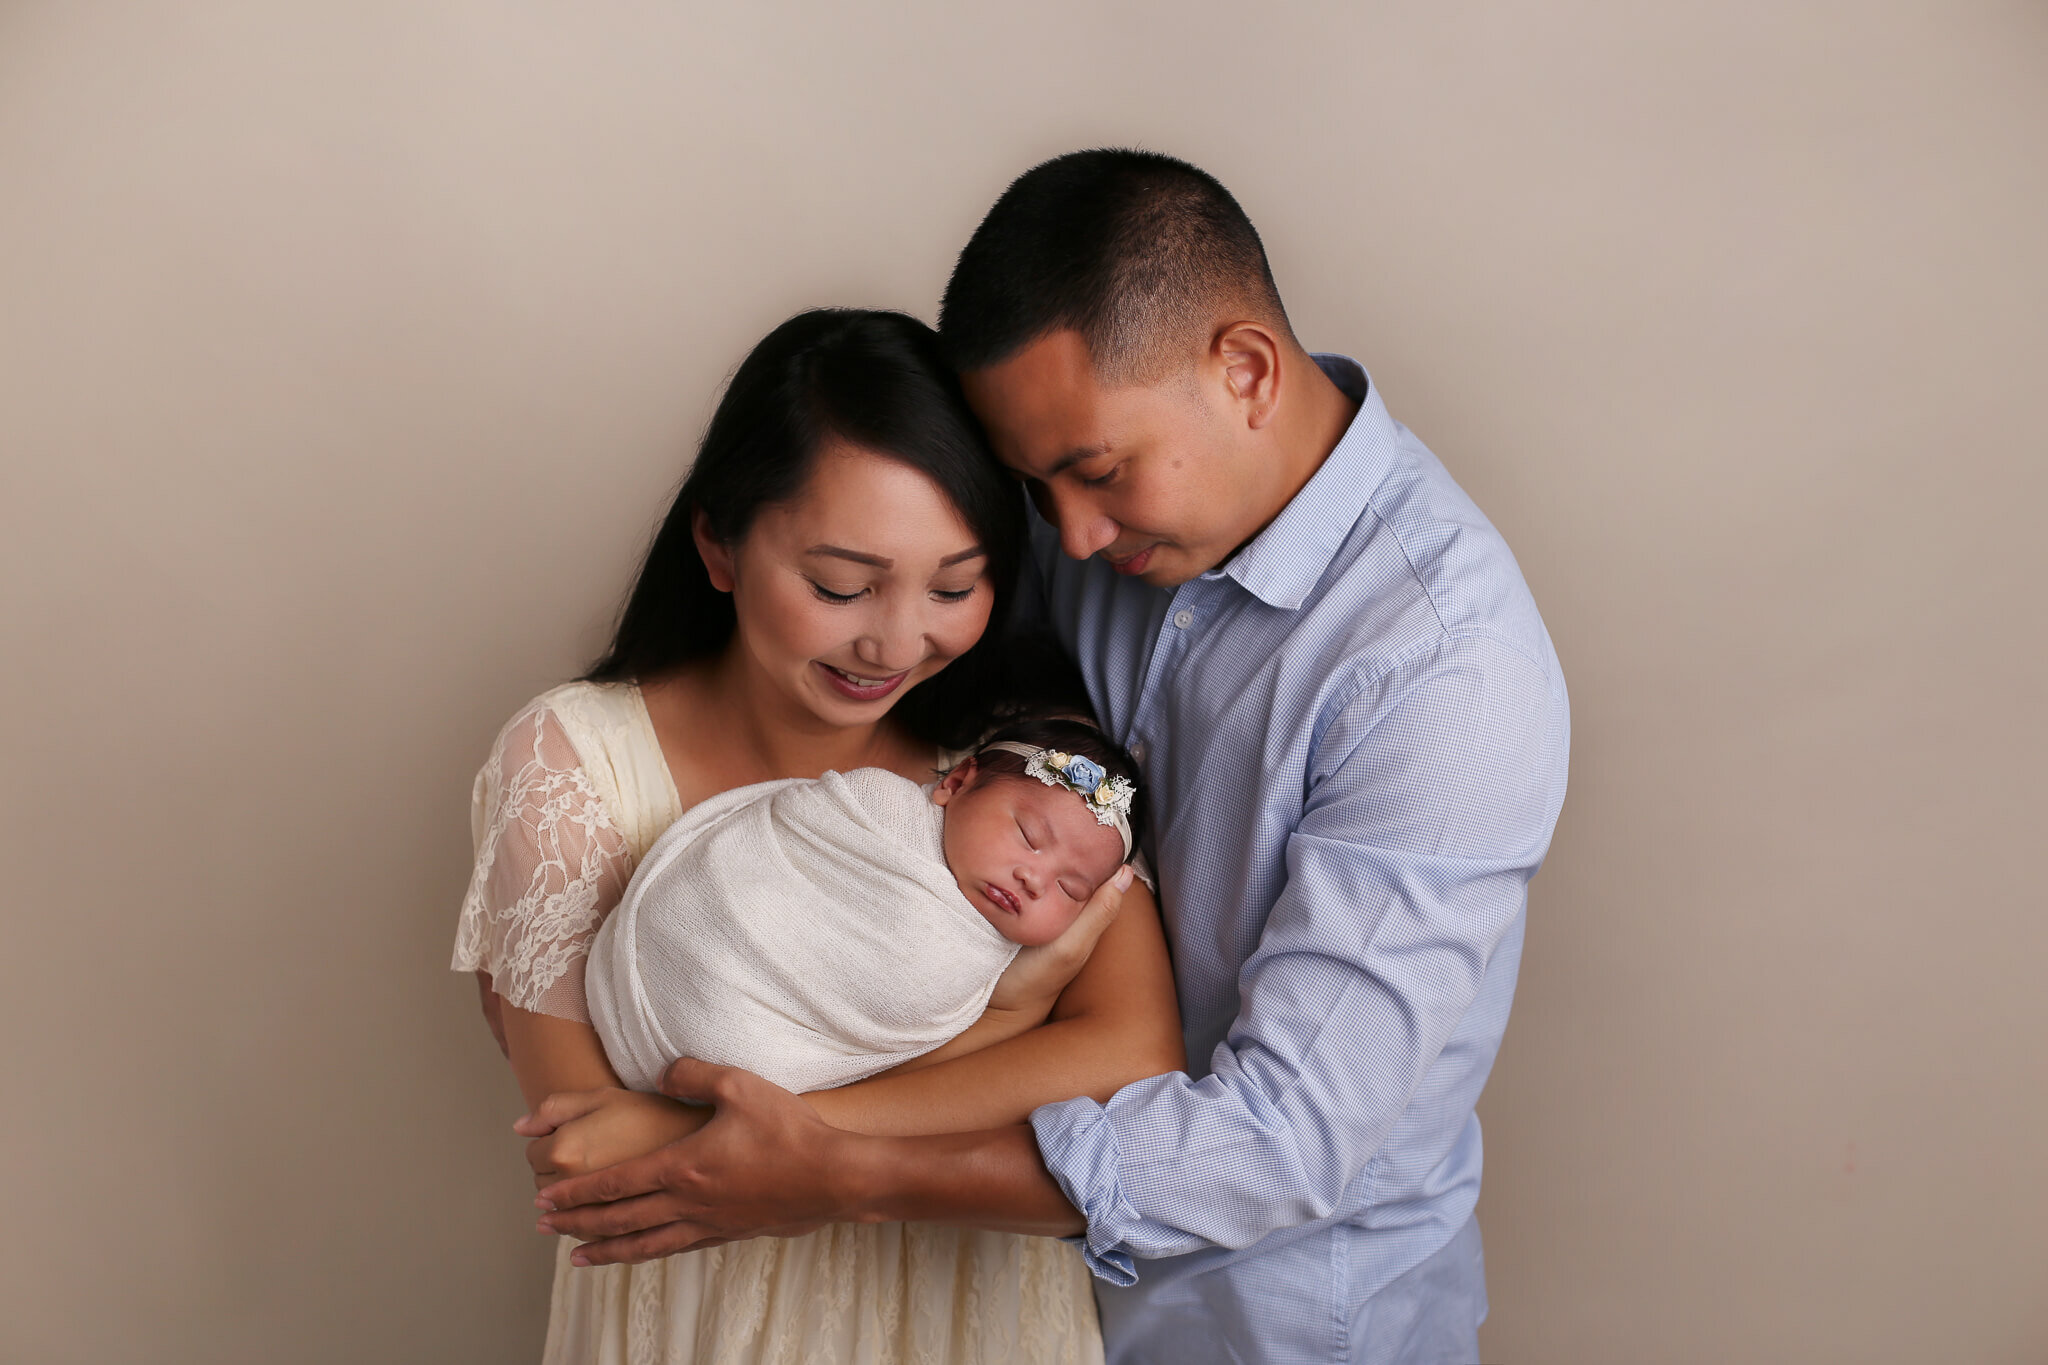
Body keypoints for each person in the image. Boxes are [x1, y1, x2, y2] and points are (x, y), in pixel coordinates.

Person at [531, 151, 1571, 1364]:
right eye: (1036, 485)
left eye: (1093, 473)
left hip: (1274, 1325)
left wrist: (840, 1170)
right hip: (1016, 1305)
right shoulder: (1108, 534)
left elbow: (1281, 1140)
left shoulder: (1445, 673)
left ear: (1242, 372)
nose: (1065, 536)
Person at [454, 307, 1183, 1363]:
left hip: (966, 1320)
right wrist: (1009, 1032)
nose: (893, 640)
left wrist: (784, 1150)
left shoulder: (1017, 766)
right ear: (718, 544)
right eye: (841, 586)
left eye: (953, 586)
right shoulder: (573, 762)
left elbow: (1130, 1054)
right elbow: (588, 1156)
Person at [587, 716, 1145, 1096]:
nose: (1033, 878)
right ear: (956, 782)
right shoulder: (869, 810)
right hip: (682, 951)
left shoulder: (995, 962)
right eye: (1026, 834)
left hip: (739, 1053)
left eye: (1071, 889)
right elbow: (762, 849)